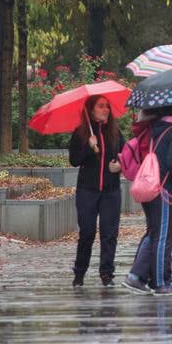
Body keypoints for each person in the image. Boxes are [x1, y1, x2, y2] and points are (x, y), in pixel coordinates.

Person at [124, 106, 172, 295]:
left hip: (149, 186)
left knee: (154, 233)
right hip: (163, 189)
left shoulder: (154, 127)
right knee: (162, 237)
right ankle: (160, 282)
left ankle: (135, 277)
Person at [67, 95, 125, 287]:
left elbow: (125, 155)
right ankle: (79, 272)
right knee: (87, 232)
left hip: (111, 191)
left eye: (107, 106)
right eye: (101, 106)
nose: (105, 109)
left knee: (109, 233)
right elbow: (74, 160)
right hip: (87, 191)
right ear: (91, 110)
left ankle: (107, 274)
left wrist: (120, 166)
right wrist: (89, 147)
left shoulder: (115, 132)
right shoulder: (81, 133)